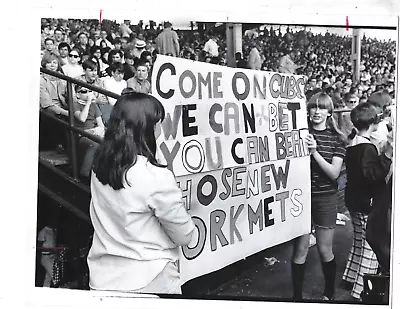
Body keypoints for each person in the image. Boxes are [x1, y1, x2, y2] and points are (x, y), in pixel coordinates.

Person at [87, 92, 195, 294]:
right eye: (159, 123)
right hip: (151, 278)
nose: (161, 130)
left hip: (103, 278)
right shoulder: (155, 177)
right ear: (146, 127)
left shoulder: (99, 165)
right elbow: (184, 236)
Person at [291, 92, 346, 301]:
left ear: (329, 113)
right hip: (300, 198)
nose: (317, 111)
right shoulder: (298, 134)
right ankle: (296, 298)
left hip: (325, 199)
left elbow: (333, 173)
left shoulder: (337, 139)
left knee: (325, 250)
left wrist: (314, 152)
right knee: (300, 250)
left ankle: (328, 293)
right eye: (313, 107)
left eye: (322, 108)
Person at [342, 103, 392, 300]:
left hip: (354, 200)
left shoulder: (354, 142)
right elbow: (373, 175)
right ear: (374, 123)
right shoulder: (367, 147)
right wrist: (386, 157)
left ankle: (350, 278)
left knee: (359, 243)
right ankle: (361, 291)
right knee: (370, 248)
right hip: (366, 202)